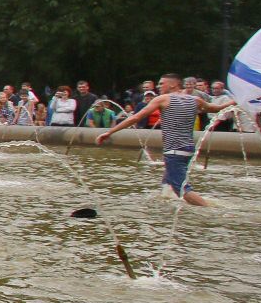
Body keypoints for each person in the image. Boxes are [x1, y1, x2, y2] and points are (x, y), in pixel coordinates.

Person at [97, 73, 237, 206]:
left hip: (174, 150)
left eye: (161, 83)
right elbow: (216, 108)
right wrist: (237, 100)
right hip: (188, 149)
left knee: (181, 189)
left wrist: (110, 132)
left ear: (173, 85)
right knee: (168, 180)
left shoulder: (163, 99)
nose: (158, 86)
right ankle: (168, 205)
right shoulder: (195, 100)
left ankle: (210, 210)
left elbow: (135, 118)